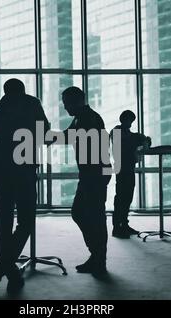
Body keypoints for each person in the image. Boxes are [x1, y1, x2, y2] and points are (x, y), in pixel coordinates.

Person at [0, 79, 49, 293]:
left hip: (0, 165)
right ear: (23, 90)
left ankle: (9, 272)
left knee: (4, 220)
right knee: (26, 220)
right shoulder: (32, 103)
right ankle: (1, 269)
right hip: (22, 165)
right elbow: (44, 131)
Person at [61, 86, 111, 275]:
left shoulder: (88, 118)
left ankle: (98, 258)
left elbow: (72, 135)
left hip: (95, 173)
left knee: (89, 215)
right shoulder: (81, 117)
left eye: (67, 103)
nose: (65, 108)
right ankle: (97, 256)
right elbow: (69, 134)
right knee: (86, 214)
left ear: (77, 101)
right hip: (93, 172)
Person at [110, 110, 151, 239]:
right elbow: (129, 141)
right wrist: (142, 138)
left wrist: (142, 139)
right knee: (121, 197)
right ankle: (117, 227)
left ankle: (124, 224)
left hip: (128, 167)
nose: (131, 124)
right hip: (122, 168)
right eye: (130, 121)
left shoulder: (127, 133)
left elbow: (135, 140)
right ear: (124, 119)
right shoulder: (116, 131)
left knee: (127, 197)